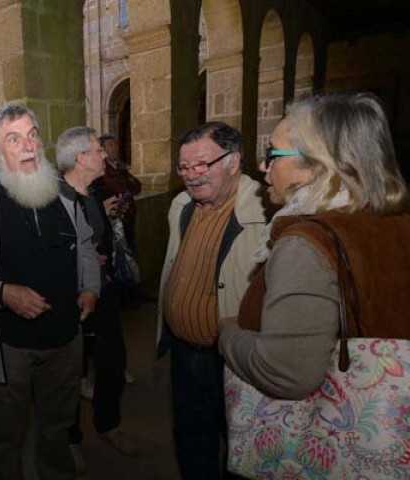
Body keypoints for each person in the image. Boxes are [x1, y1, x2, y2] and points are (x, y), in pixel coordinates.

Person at [219, 92, 410, 398]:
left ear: (318, 166)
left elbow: (286, 373)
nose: (264, 166)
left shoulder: (305, 245)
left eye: (273, 154)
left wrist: (228, 334)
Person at [0, 104, 100, 480]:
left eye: (32, 135)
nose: (28, 145)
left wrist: (91, 287)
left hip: (65, 340)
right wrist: (2, 293)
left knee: (56, 430)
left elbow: (88, 246)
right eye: (14, 139)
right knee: (7, 437)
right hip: (9, 347)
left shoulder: (63, 196)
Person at [156, 122, 266, 479]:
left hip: (233, 361)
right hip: (183, 354)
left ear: (233, 162)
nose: (191, 176)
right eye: (184, 167)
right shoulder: (181, 206)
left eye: (202, 165)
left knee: (240, 445)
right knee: (191, 438)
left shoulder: (269, 214)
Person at [57, 127, 137, 469]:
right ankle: (70, 438)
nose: (104, 155)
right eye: (96, 150)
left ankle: (107, 424)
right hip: (69, 297)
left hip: (102, 291)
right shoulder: (53, 200)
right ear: (79, 158)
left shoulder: (90, 194)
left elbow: (92, 237)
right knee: (69, 370)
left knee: (113, 361)